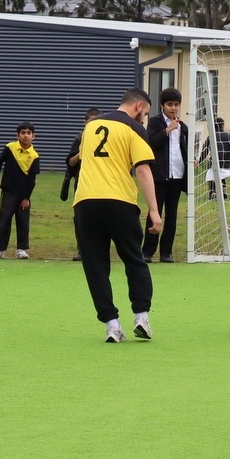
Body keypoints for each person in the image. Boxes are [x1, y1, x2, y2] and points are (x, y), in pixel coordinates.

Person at [73, 87, 162, 343]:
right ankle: (141, 317)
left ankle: (111, 324)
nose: (144, 119)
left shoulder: (90, 126)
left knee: (95, 266)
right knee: (134, 259)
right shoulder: (134, 129)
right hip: (119, 201)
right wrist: (154, 211)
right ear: (137, 107)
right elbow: (143, 170)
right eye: (144, 113)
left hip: (86, 203)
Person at [142, 87, 188, 263]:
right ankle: (147, 251)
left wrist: (191, 161)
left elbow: (184, 149)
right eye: (170, 104)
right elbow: (150, 143)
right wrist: (167, 130)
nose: (173, 108)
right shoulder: (155, 122)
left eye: (176, 105)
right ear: (162, 105)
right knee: (155, 213)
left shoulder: (183, 127)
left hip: (177, 176)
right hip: (159, 176)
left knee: (172, 215)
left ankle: (166, 252)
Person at [0, 121, 39, 259]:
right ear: (17, 135)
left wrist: (26, 198)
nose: (25, 136)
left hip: (23, 194)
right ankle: (0, 250)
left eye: (29, 133)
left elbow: (32, 180)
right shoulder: (10, 147)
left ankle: (21, 249)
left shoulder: (34, 155)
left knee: (23, 221)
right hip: (9, 192)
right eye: (23, 133)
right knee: (4, 220)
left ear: (33, 136)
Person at [62, 107, 101, 261]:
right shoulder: (79, 139)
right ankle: (82, 249)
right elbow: (70, 162)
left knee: (99, 218)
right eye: (90, 122)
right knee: (80, 218)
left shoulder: (104, 140)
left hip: (100, 183)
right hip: (82, 183)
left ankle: (98, 250)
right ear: (84, 123)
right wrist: (81, 151)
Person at [198, 117, 230, 200]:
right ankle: (222, 190)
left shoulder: (211, 136)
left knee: (213, 177)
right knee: (222, 176)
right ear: (222, 126)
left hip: (214, 161)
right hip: (225, 160)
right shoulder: (227, 135)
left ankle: (213, 192)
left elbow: (205, 150)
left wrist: (200, 161)